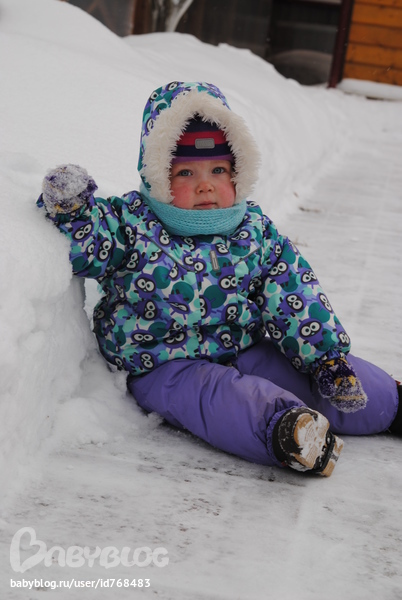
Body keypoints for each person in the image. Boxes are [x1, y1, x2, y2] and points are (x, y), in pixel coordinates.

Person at [37, 81, 400, 477]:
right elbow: (90, 245)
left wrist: (326, 358)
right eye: (186, 172)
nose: (205, 184)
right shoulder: (132, 224)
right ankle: (288, 433)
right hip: (164, 363)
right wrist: (73, 211)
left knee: (308, 375)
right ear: (157, 175)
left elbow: (293, 292)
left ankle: (392, 404)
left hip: (241, 346)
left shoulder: (253, 230)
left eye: (218, 170)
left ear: (237, 172)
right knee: (219, 398)